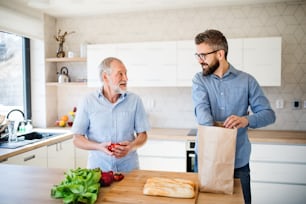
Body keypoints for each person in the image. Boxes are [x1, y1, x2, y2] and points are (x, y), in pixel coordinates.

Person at [191, 29, 276, 204]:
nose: (200, 61)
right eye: (197, 55)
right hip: (206, 160)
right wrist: (220, 131)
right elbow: (203, 114)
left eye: (203, 55)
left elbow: (269, 115)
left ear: (220, 54)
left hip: (238, 162)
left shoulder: (247, 81)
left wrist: (246, 120)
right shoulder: (199, 80)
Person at [72, 57, 150, 172]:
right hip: (98, 171)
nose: (126, 78)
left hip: (129, 170)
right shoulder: (88, 101)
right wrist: (98, 147)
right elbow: (77, 139)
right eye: (120, 74)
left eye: (126, 73)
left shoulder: (135, 100)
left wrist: (131, 147)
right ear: (105, 77)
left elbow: (143, 135)